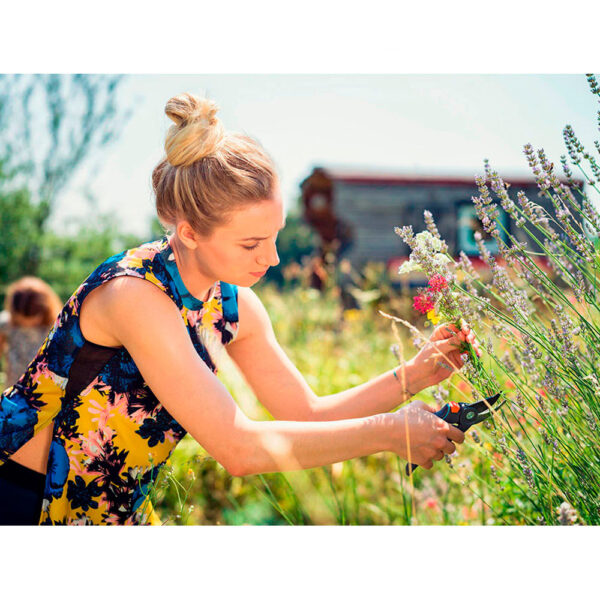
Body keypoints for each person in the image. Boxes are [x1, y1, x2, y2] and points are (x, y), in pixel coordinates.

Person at [0, 93, 480, 526]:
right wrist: (390, 433)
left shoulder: (233, 308)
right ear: (188, 232)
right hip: (23, 495)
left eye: (275, 235)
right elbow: (238, 449)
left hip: (108, 507)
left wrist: (415, 375)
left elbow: (308, 413)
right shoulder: (134, 296)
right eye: (251, 243)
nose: (271, 258)